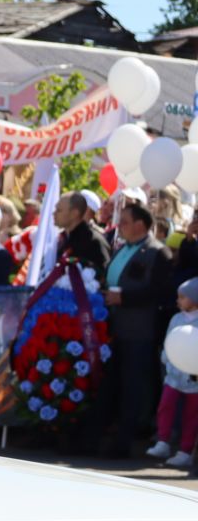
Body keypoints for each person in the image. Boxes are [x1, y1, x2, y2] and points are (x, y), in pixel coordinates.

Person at [101, 199, 178, 457]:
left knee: (134, 386)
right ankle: (107, 434)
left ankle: (126, 440)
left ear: (140, 225)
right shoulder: (121, 248)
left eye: (124, 222)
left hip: (139, 330)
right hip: (115, 327)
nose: (119, 226)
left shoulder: (158, 252)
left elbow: (159, 291)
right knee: (114, 383)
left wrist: (124, 298)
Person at [148, 277, 198, 469]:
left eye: (183, 297)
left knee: (191, 415)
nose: (178, 301)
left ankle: (185, 451)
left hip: (194, 379)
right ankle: (163, 441)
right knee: (166, 405)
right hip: (174, 375)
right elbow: (171, 341)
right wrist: (167, 359)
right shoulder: (176, 319)